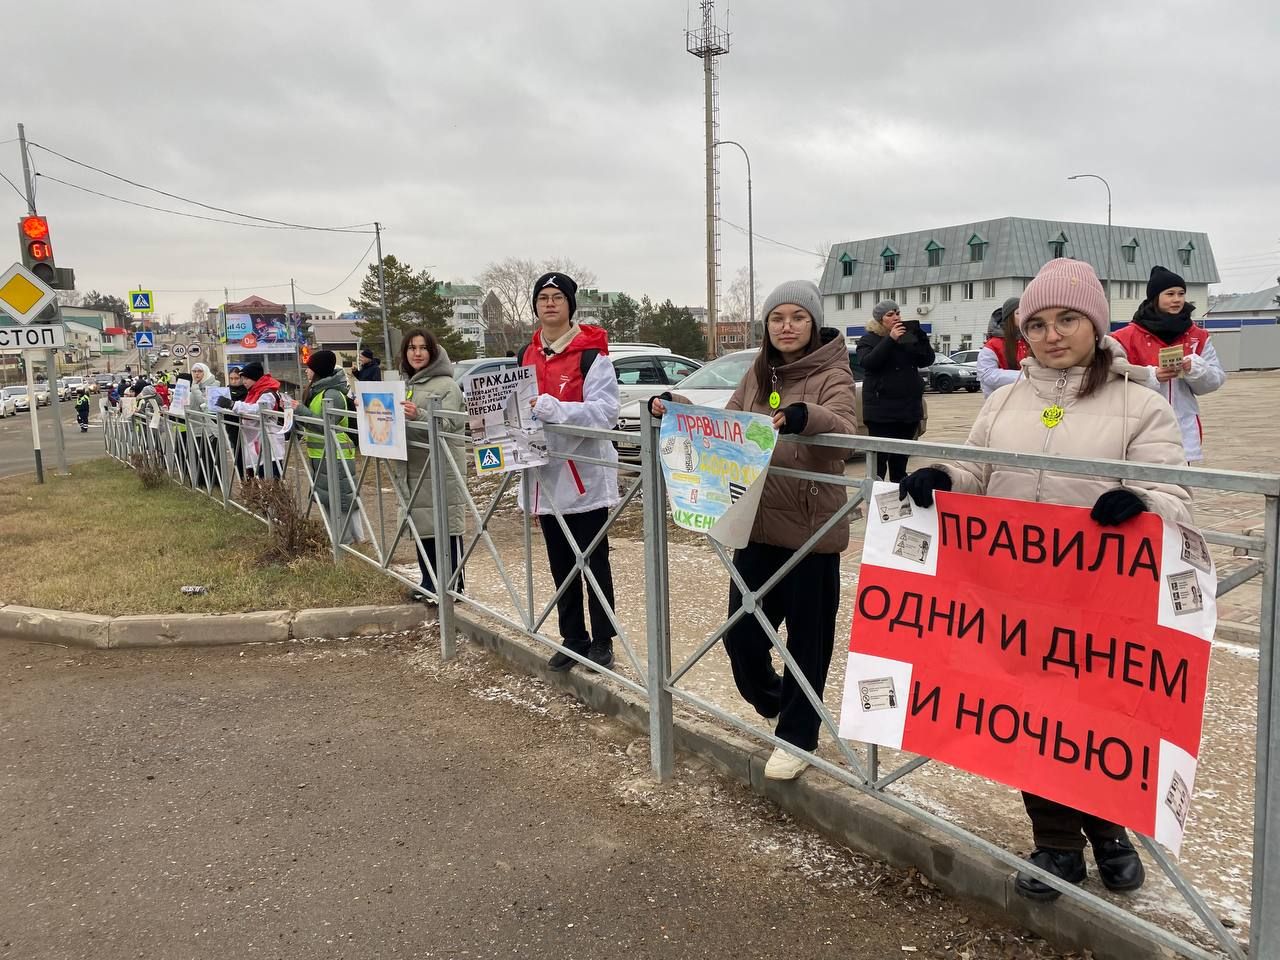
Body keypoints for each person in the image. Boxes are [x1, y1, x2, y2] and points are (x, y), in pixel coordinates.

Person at [896, 258, 1192, 902]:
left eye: (1068, 319)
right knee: (1029, 717)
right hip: (1014, 596)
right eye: (1038, 323)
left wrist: (1141, 503)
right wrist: (944, 475)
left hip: (1102, 601)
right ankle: (1056, 845)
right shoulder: (1003, 399)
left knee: (1095, 719)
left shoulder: (1140, 404)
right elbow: (980, 471)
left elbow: (1174, 490)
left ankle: (1110, 833)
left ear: (1096, 323)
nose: (1053, 334)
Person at [651, 280, 857, 780]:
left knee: (808, 643)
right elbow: (727, 430)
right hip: (756, 526)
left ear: (813, 323)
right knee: (742, 637)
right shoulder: (757, 372)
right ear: (766, 326)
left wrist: (809, 418)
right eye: (777, 317)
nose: (787, 326)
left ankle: (798, 736)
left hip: (811, 532)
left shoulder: (833, 374)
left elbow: (846, 437)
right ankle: (778, 705)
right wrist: (680, 409)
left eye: (797, 317)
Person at [518, 271, 621, 672]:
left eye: (557, 297)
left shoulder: (591, 356)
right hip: (542, 479)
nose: (549, 303)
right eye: (542, 297)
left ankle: (603, 639)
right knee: (559, 563)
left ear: (570, 305)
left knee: (594, 560)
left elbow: (604, 413)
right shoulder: (524, 356)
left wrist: (555, 411)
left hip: (583, 480)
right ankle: (572, 636)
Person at [1112, 265, 1225, 463]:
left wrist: (1195, 368)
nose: (1177, 299)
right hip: (1140, 425)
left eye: (1181, 293)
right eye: (1170, 293)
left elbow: (1215, 381)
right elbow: (1111, 378)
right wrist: (1150, 376)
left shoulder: (1198, 336)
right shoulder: (1125, 337)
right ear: (1155, 297)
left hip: (1183, 428)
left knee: (1179, 487)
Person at [393, 330, 467, 595]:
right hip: (414, 465)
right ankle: (429, 583)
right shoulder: (406, 384)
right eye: (411, 348)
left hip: (442, 468)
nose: (417, 353)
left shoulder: (446, 385)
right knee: (423, 526)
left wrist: (420, 414)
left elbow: (450, 423)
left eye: (423, 348)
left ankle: (453, 586)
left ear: (433, 352)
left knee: (446, 526)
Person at [856, 300, 934, 482]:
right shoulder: (868, 339)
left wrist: (921, 339)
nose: (896, 317)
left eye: (897, 313)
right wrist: (890, 339)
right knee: (879, 462)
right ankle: (876, 502)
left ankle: (899, 500)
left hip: (908, 410)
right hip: (881, 412)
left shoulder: (906, 337)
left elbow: (926, 360)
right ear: (880, 319)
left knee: (900, 462)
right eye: (890, 315)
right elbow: (868, 362)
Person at [301, 350, 362, 545]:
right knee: (328, 498)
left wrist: (299, 410)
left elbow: (326, 425)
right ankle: (341, 539)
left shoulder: (332, 394)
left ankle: (348, 542)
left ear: (317, 370)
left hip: (336, 455)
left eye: (309, 368)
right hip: (321, 454)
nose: (306, 372)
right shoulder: (317, 392)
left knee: (341, 500)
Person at [215, 361, 287, 479]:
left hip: (269, 445)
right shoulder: (254, 391)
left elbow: (257, 410)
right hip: (256, 444)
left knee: (271, 481)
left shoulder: (267, 393)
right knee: (259, 480)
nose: (243, 382)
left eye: (246, 379)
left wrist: (233, 405)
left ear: (255, 378)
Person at [976, 296, 1027, 398]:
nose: (1023, 316)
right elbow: (986, 375)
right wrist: (1024, 377)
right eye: (1018, 313)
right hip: (1002, 400)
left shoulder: (1031, 339)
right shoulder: (993, 344)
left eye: (1025, 312)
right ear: (1009, 317)